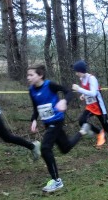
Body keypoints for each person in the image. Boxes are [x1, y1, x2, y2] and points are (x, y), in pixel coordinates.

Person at [28, 64, 84, 192]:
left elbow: (69, 92)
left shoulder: (50, 85)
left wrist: (65, 101)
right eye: (28, 75)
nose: (28, 77)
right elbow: (36, 107)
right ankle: (83, 131)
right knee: (65, 148)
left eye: (31, 75)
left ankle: (56, 181)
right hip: (48, 123)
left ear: (40, 75)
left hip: (57, 121)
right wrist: (34, 120)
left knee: (45, 148)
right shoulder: (31, 90)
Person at [71, 60, 108, 156]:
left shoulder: (92, 79)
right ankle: (99, 132)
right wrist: (83, 95)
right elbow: (88, 91)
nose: (76, 74)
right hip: (90, 107)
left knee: (107, 128)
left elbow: (93, 93)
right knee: (81, 121)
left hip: (99, 107)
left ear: (81, 71)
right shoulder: (82, 79)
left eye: (76, 71)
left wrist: (79, 89)